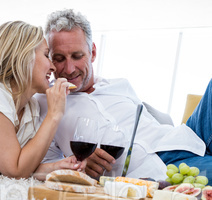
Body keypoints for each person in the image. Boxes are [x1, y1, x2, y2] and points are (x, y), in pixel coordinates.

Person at [35, 9, 212, 183]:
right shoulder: (45, 104)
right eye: (59, 58)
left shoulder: (120, 85)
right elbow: (43, 165)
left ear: (93, 52)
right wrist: (80, 165)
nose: (69, 68)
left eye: (77, 56)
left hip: (184, 136)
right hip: (165, 168)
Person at [0, 21, 85, 179]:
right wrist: (54, 114)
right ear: (23, 57)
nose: (53, 67)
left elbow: (20, 162)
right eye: (46, 55)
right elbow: (15, 170)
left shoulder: (30, 108)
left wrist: (54, 167)